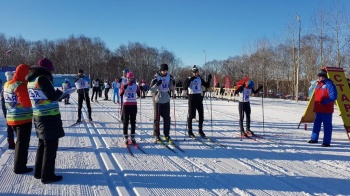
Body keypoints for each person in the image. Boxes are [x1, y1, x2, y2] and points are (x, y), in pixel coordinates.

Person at [26, 58, 65, 184]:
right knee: (50, 147)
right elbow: (52, 96)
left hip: (38, 115)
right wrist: (62, 92)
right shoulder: (42, 78)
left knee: (42, 145)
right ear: (47, 70)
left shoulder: (31, 80)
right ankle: (47, 175)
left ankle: (39, 172)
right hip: (49, 116)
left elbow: (43, 96)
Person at [4, 64, 33, 174]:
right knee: (22, 144)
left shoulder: (7, 84)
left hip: (11, 118)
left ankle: (19, 165)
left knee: (19, 143)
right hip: (22, 118)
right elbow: (26, 103)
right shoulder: (20, 85)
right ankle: (20, 167)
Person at [308, 69, 337, 147]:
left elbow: (333, 96)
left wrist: (324, 101)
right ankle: (314, 139)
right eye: (319, 76)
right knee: (316, 124)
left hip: (326, 109)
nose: (319, 77)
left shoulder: (329, 84)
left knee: (327, 126)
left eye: (321, 76)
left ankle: (326, 142)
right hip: (318, 109)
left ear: (324, 76)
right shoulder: (318, 85)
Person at [183, 65, 211, 138]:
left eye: (197, 72)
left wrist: (209, 79)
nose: (196, 74)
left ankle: (200, 130)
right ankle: (190, 131)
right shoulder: (189, 78)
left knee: (201, 114)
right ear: (192, 73)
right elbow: (185, 87)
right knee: (191, 115)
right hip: (192, 97)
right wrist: (190, 80)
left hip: (199, 97)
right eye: (194, 72)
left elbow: (207, 85)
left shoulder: (199, 78)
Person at [150, 64, 174, 142]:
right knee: (157, 118)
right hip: (158, 99)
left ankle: (166, 134)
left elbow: (171, 87)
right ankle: (156, 134)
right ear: (160, 70)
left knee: (167, 118)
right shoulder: (156, 77)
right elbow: (152, 89)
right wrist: (157, 85)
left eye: (166, 70)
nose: (165, 72)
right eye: (163, 71)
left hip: (166, 99)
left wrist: (173, 84)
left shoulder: (169, 76)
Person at [119, 72, 140, 144]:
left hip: (134, 105)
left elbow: (139, 94)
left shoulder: (135, 85)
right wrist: (123, 89)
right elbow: (121, 94)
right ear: (127, 78)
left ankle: (133, 136)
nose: (130, 79)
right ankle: (125, 136)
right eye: (129, 78)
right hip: (126, 105)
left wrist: (140, 89)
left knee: (133, 121)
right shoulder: (124, 85)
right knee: (126, 121)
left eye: (131, 78)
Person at [1, 71, 16, 149]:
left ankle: (11, 142)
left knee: (9, 127)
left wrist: (4, 112)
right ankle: (16, 142)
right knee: (16, 127)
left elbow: (2, 101)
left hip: (8, 110)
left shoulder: (5, 87)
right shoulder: (15, 86)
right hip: (15, 110)